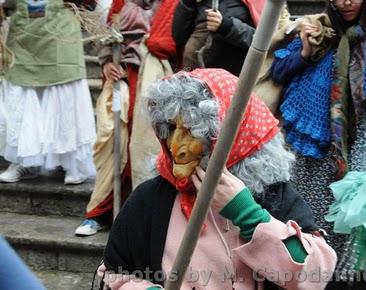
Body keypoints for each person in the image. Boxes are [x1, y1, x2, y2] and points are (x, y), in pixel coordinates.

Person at [99, 69, 337, 290]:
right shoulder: (149, 199)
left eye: (193, 130)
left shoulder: (274, 197)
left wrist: (248, 214)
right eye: (171, 129)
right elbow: (114, 275)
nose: (175, 147)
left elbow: (314, 277)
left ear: (232, 137)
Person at [269, 0, 366, 253]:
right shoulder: (316, 30)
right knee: (304, 208)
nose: (347, 2)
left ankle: (337, 268)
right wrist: (305, 53)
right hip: (308, 136)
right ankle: (303, 261)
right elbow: (278, 72)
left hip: (354, 142)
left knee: (344, 211)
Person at [74, 0, 161, 236]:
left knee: (143, 148)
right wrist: (107, 64)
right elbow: (108, 36)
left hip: (154, 78)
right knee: (115, 144)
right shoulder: (120, 3)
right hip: (122, 79)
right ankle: (99, 213)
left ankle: (140, 216)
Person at [0, 0, 96, 185]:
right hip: (23, 38)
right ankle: (24, 161)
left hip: (60, 34)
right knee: (21, 97)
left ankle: (72, 163)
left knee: (64, 98)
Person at [172, 0, 261, 76]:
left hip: (230, 80)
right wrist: (188, 2)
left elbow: (263, 42)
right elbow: (179, 37)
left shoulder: (256, 3)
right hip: (193, 75)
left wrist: (227, 26)